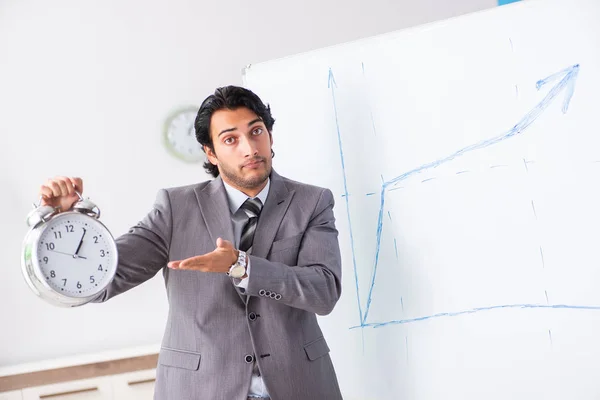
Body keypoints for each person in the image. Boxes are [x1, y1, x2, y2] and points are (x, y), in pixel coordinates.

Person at [39, 86, 343, 400]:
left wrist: (242, 266)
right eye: (230, 139)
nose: (250, 148)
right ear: (210, 152)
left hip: (298, 387)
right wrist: (72, 223)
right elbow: (105, 281)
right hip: (201, 389)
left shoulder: (311, 202)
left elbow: (324, 291)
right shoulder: (176, 208)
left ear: (270, 135)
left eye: (256, 131)